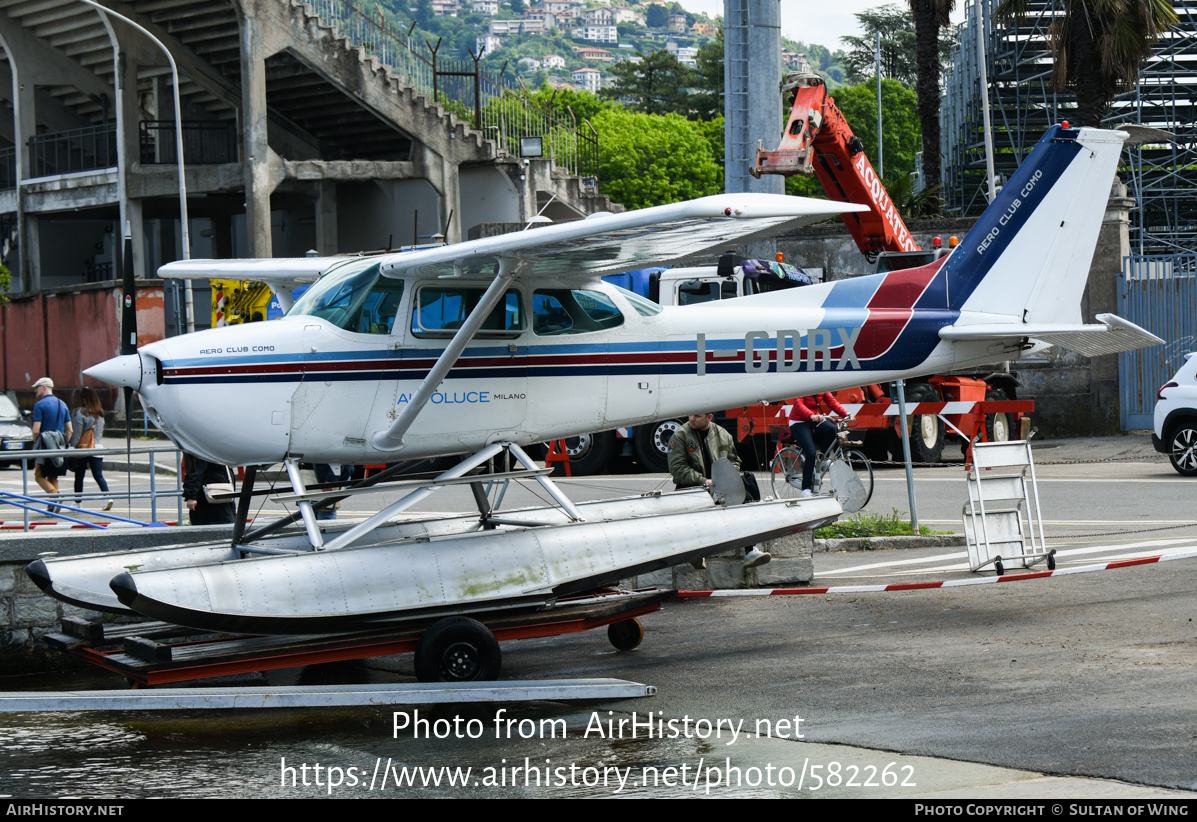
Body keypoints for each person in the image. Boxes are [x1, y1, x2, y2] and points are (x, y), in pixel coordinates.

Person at [668, 412, 770, 569]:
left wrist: (727, 477)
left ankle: (750, 551)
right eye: (690, 415)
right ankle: (695, 553)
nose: (691, 419)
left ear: (709, 417)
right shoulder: (680, 435)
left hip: (720, 485)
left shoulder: (723, 434)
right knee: (691, 509)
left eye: (697, 416)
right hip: (694, 485)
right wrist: (703, 481)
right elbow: (678, 468)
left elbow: (734, 460)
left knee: (747, 499)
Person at [787, 393, 854, 496]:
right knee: (811, 452)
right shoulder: (802, 384)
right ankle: (806, 489)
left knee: (833, 429)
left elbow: (832, 402)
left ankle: (823, 458)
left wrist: (846, 414)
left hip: (814, 419)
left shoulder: (821, 386)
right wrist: (811, 415)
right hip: (798, 422)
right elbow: (798, 404)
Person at [30, 377, 72, 511]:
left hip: (44, 446)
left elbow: (36, 430)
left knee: (39, 475)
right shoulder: (62, 404)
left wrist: (36, 443)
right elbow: (70, 430)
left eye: (37, 387)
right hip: (58, 446)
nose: (35, 390)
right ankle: (52, 506)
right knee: (53, 475)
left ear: (43, 388)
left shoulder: (39, 405)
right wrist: (64, 444)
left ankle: (54, 495)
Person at [69, 387, 111, 510]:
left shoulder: (80, 412)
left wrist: (71, 447)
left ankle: (78, 503)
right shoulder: (100, 413)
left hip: (84, 448)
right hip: (98, 447)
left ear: (83, 398)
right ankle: (107, 497)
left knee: (79, 475)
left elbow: (77, 433)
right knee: (98, 475)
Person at [182, 453, 236, 525]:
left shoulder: (200, 450)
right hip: (222, 493)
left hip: (206, 498)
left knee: (205, 529)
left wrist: (191, 496)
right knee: (225, 527)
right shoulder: (217, 449)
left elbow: (194, 474)